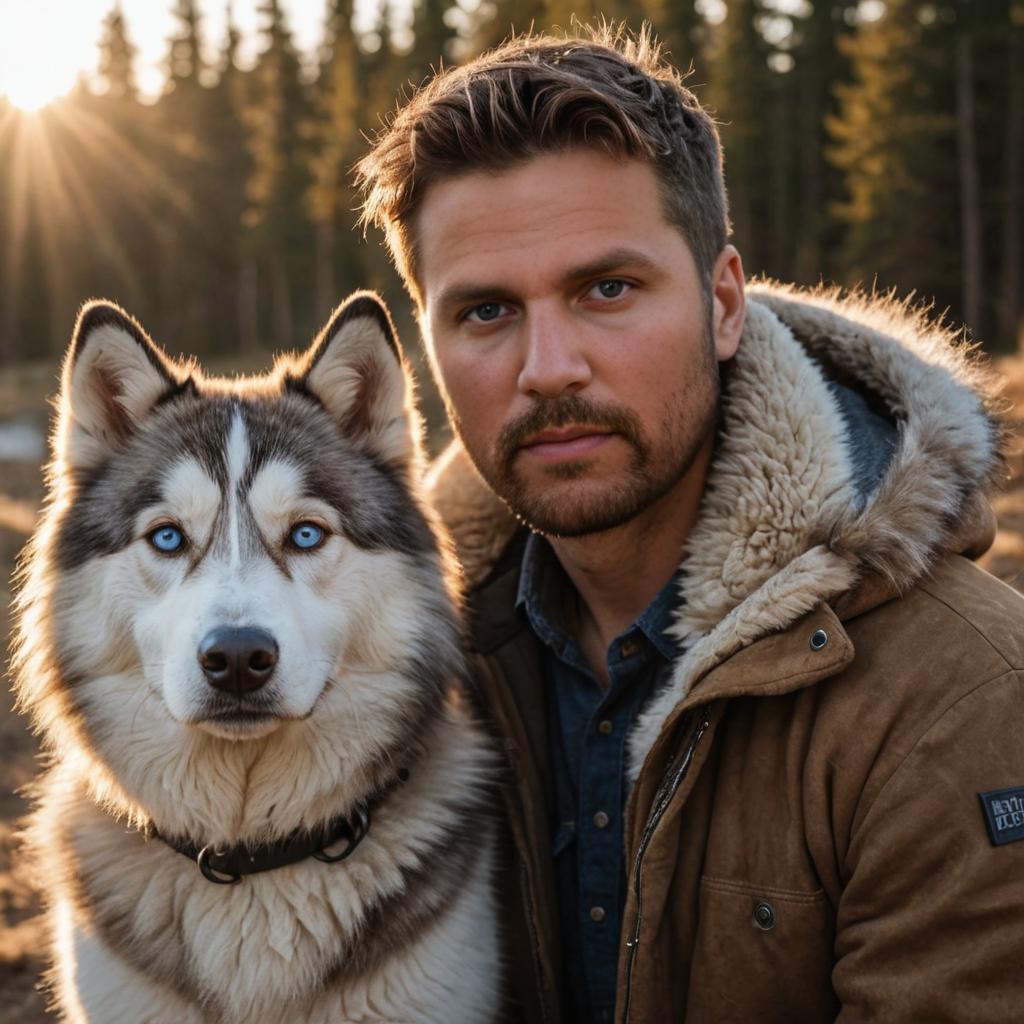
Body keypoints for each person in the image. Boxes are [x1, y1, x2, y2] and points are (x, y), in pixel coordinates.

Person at [355, 25, 1024, 1024]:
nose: (547, 367)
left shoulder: (962, 698)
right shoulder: (386, 674)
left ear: (721, 305)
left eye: (606, 289)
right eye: (486, 312)